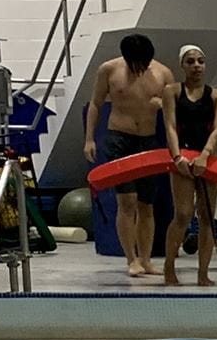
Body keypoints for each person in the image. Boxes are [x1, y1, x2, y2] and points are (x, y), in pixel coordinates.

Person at [73, 34, 172, 278]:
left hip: (148, 140)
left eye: (143, 65)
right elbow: (95, 104)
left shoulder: (163, 73)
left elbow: (173, 111)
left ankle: (146, 259)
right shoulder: (109, 69)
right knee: (126, 203)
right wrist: (89, 139)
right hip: (119, 138)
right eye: (134, 65)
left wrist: (163, 104)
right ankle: (131, 259)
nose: (139, 70)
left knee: (147, 204)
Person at [164, 45, 217, 286]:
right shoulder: (171, 91)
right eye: (190, 62)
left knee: (207, 217)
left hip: (208, 157)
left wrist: (205, 155)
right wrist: (178, 157)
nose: (196, 66)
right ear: (182, 65)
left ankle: (203, 272)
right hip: (182, 156)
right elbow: (170, 126)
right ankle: (169, 266)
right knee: (182, 214)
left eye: (201, 61)